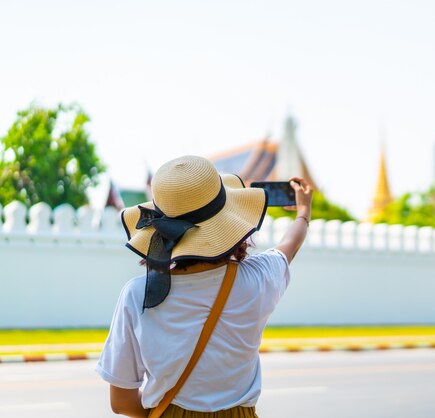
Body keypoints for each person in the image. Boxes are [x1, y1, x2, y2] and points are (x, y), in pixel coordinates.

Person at [96, 155, 313, 418]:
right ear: (229, 219)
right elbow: (289, 245)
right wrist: (303, 213)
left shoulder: (137, 295)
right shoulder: (259, 279)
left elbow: (122, 402)